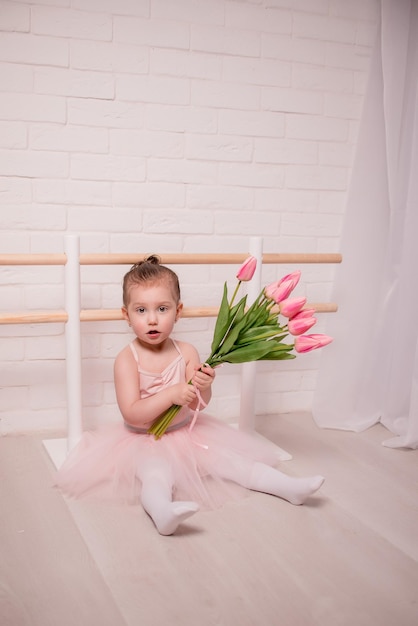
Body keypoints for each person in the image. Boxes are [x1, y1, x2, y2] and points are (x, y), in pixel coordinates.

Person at [56, 256, 324, 535]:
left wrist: (204, 384)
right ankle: (163, 512)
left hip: (189, 433)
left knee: (234, 462)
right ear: (126, 315)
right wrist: (172, 394)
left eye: (162, 308)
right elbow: (132, 415)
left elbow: (199, 405)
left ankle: (290, 487)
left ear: (178, 311)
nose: (152, 319)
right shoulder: (127, 359)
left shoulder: (186, 352)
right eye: (141, 310)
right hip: (144, 440)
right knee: (157, 475)